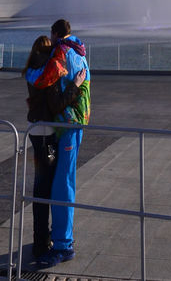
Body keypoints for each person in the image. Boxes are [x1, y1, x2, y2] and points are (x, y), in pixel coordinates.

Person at [25, 19, 91, 268]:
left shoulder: (62, 53)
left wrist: (28, 71)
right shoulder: (80, 51)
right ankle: (60, 235)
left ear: (55, 34)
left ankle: (63, 245)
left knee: (62, 184)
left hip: (67, 125)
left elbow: (42, 79)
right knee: (62, 180)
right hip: (75, 123)